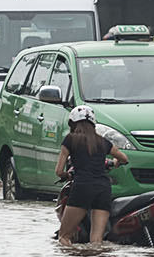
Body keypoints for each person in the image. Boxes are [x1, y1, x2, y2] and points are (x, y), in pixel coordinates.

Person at [55, 104, 130, 244]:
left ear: (72, 123)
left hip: (82, 187)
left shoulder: (70, 139)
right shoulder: (103, 142)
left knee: (64, 236)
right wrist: (115, 163)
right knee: (96, 240)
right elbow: (124, 158)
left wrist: (66, 175)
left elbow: (58, 171)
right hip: (103, 188)